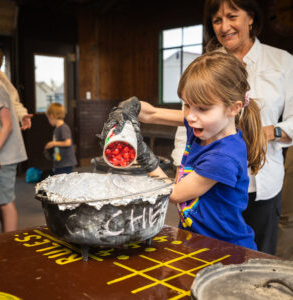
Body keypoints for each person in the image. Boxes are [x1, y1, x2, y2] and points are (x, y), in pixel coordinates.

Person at [100, 51, 267, 250]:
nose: (190, 116)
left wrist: (144, 156)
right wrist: (129, 107)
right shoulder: (204, 125)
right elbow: (151, 113)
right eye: (187, 105)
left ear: (233, 108)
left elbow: (176, 194)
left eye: (202, 108)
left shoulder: (223, 156)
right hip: (197, 240)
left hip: (227, 249)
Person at [172, 0, 293, 255]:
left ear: (251, 18)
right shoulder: (206, 65)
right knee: (207, 255)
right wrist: (180, 171)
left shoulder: (282, 61)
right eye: (217, 20)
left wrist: (269, 132)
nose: (224, 26)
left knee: (256, 260)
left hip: (262, 183)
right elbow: (188, 122)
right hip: (208, 183)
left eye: (232, 16)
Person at [0, 44, 27, 232]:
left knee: (5, 202)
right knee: (0, 200)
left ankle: (10, 244)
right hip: (1, 155)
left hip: (4, 156)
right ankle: (5, 240)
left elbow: (7, 125)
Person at [44, 103, 77, 175]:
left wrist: (53, 143)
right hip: (60, 162)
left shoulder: (63, 128)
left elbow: (68, 142)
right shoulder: (57, 129)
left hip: (66, 163)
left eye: (48, 118)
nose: (48, 121)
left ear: (52, 116)